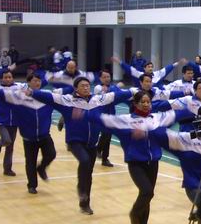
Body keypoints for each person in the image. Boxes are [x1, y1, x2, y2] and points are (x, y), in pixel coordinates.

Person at [91, 91, 193, 224]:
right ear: (135, 104)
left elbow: (180, 114)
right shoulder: (126, 120)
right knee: (147, 191)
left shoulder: (157, 118)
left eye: (148, 102)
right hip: (136, 162)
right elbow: (102, 119)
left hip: (153, 163)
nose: (146, 104)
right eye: (142, 102)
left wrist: (200, 107)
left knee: (147, 197)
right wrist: (82, 112)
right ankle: (134, 213)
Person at [28, 77, 132, 214]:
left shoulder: (98, 100)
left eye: (88, 85)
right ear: (76, 88)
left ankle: (84, 204)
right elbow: (49, 97)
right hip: (75, 142)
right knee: (84, 161)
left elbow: (116, 95)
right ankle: (81, 190)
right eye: (83, 86)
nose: (86, 88)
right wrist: (32, 93)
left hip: (92, 144)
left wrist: (133, 92)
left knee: (88, 173)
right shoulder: (67, 100)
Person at [0, 73, 60, 193]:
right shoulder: (18, 96)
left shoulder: (47, 96)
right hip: (28, 137)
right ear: (28, 82)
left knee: (51, 154)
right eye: (34, 81)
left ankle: (41, 168)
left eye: (39, 81)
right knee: (30, 162)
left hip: (44, 135)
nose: (37, 83)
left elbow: (66, 96)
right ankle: (32, 186)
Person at [0, 70, 21, 176]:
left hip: (14, 121)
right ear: (2, 78)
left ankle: (7, 169)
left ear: (12, 78)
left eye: (9, 77)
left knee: (10, 146)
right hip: (1, 121)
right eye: (5, 77)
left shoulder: (19, 87)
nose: (8, 79)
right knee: (6, 140)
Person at [94, 69, 119, 167]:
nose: (107, 79)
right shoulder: (98, 88)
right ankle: (104, 157)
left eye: (108, 77)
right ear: (100, 78)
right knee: (106, 135)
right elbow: (104, 97)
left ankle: (100, 151)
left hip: (111, 114)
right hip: (101, 115)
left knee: (106, 136)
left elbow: (118, 95)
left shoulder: (113, 87)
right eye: (104, 77)